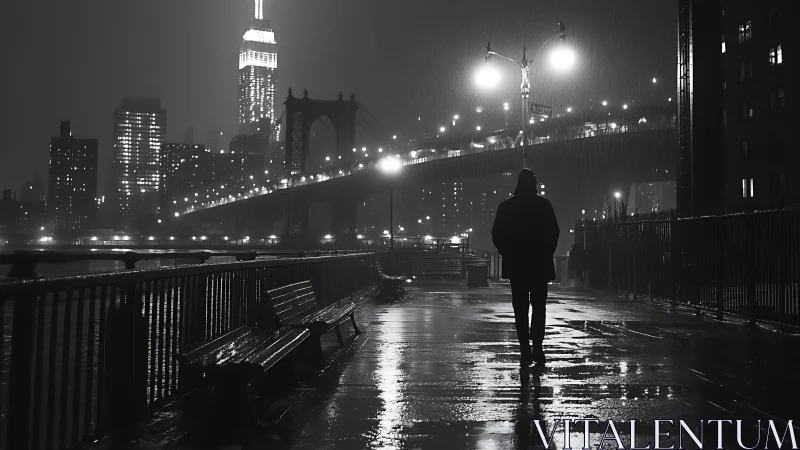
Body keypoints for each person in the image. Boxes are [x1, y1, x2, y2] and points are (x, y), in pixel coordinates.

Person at [491, 169, 560, 365]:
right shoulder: (544, 206)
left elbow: (496, 234)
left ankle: (524, 349)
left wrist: (509, 252)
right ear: (534, 184)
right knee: (539, 307)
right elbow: (554, 232)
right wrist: (545, 253)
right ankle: (537, 346)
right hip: (539, 265)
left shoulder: (506, 207)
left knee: (520, 309)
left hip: (517, 266)